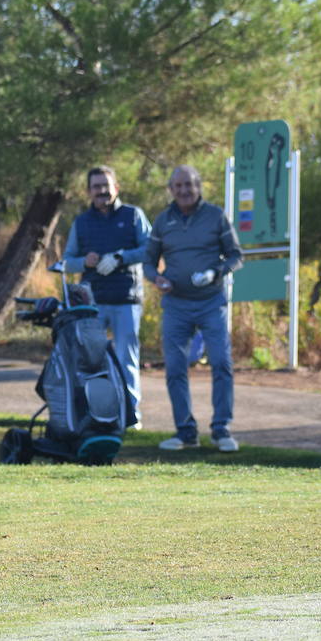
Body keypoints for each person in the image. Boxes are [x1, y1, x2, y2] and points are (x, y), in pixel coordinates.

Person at [143, 165, 243, 452]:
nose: (184, 190)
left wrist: (217, 272)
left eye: (189, 185)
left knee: (221, 362)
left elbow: (236, 255)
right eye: (178, 186)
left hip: (211, 302)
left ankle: (221, 430)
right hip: (176, 305)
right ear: (171, 189)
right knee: (175, 368)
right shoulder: (163, 221)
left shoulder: (215, 216)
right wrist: (157, 278)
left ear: (198, 186)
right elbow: (149, 262)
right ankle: (186, 432)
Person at [61, 165, 150, 423]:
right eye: (96, 187)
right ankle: (95, 415)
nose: (102, 191)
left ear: (116, 188)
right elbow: (67, 262)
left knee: (127, 361)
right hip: (93, 304)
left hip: (127, 300)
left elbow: (151, 248)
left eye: (106, 186)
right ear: (89, 191)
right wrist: (84, 262)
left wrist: (121, 257)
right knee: (91, 362)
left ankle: (131, 417)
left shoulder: (134, 216)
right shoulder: (81, 222)